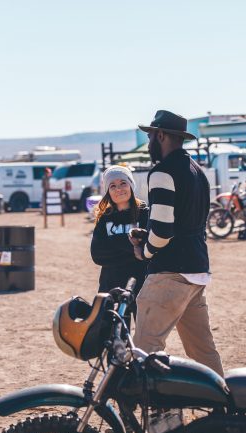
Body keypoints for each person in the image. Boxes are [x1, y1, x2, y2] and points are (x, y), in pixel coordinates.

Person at [130, 110, 224, 377]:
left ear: (160, 135)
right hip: (197, 271)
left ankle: (155, 418)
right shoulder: (198, 172)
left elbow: (162, 231)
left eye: (150, 136)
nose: (149, 142)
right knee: (203, 352)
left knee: (144, 350)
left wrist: (145, 251)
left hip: (169, 273)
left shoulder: (162, 172)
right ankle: (223, 412)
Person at [90, 165, 148, 327]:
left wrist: (113, 243)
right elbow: (97, 255)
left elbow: (149, 251)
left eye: (123, 183)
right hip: (111, 284)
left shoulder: (145, 213)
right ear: (107, 190)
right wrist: (132, 245)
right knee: (112, 338)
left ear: (131, 184)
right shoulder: (104, 218)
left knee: (147, 338)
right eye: (112, 186)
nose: (119, 189)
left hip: (141, 284)